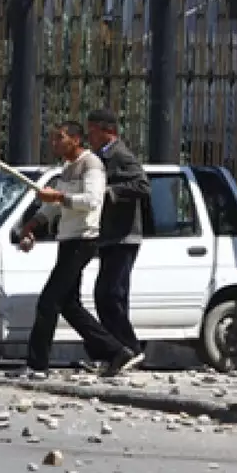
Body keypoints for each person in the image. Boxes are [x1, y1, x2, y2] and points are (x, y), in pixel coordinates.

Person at [13, 121, 141, 378]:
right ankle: (116, 351)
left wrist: (60, 198)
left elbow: (93, 200)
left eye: (60, 138)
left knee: (48, 302)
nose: (55, 143)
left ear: (75, 140)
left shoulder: (91, 164)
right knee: (69, 305)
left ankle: (37, 365)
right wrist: (34, 223)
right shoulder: (68, 168)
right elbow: (53, 205)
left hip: (83, 240)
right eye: (53, 138)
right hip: (67, 239)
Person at [85, 109, 151, 372]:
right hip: (110, 236)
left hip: (124, 237)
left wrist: (111, 192)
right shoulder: (100, 158)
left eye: (93, 132)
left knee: (110, 295)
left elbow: (142, 185)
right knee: (109, 296)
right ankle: (114, 353)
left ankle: (129, 348)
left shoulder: (120, 155)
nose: (89, 137)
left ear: (108, 131)